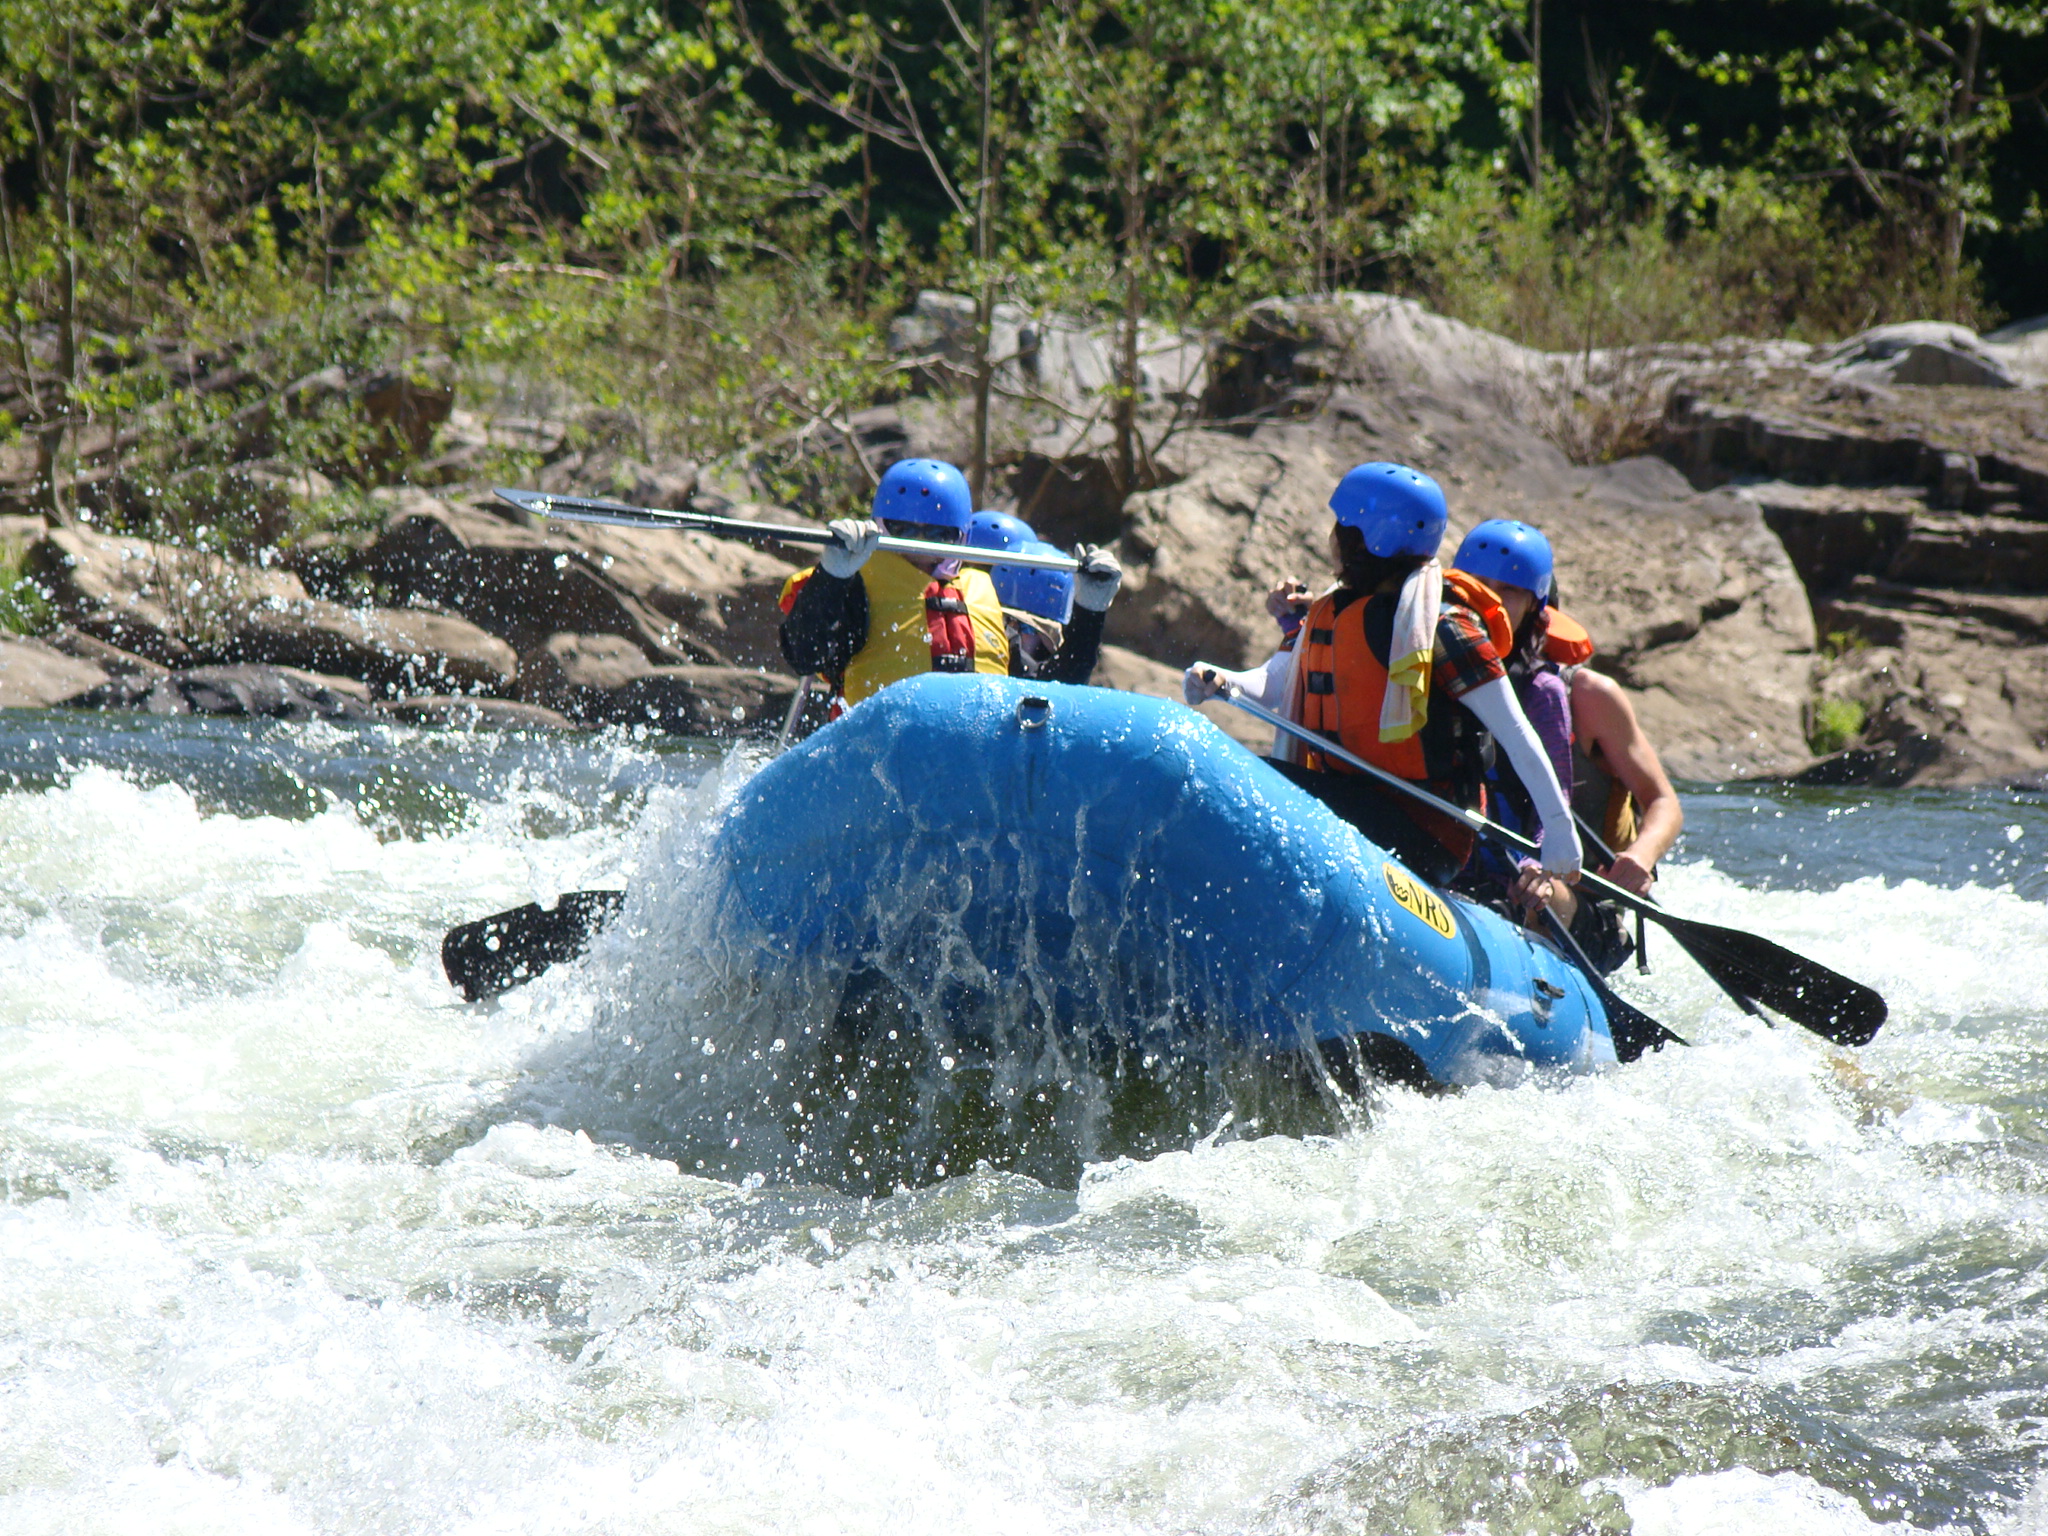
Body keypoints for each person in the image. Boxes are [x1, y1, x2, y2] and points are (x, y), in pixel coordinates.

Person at [1182, 462, 1580, 888]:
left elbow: (1515, 730)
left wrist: (1559, 830)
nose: (1332, 538)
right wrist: (1223, 682)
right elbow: (1273, 682)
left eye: (1341, 526)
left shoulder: (1443, 624)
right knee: (1231, 778)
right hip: (1352, 796)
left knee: (1238, 782)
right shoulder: (1334, 609)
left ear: (1365, 537)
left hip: (1425, 828)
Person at [778, 459, 1009, 705]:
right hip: (882, 738)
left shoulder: (983, 588)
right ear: (881, 527)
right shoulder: (854, 584)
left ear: (962, 536)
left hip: (978, 738)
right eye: (903, 530)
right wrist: (831, 578)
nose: (920, 543)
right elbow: (805, 657)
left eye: (938, 534)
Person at [963, 510, 1122, 684]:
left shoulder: (1032, 670)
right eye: (1007, 624)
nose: (1008, 635)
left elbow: (1066, 673)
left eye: (1026, 628)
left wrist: (1090, 613)